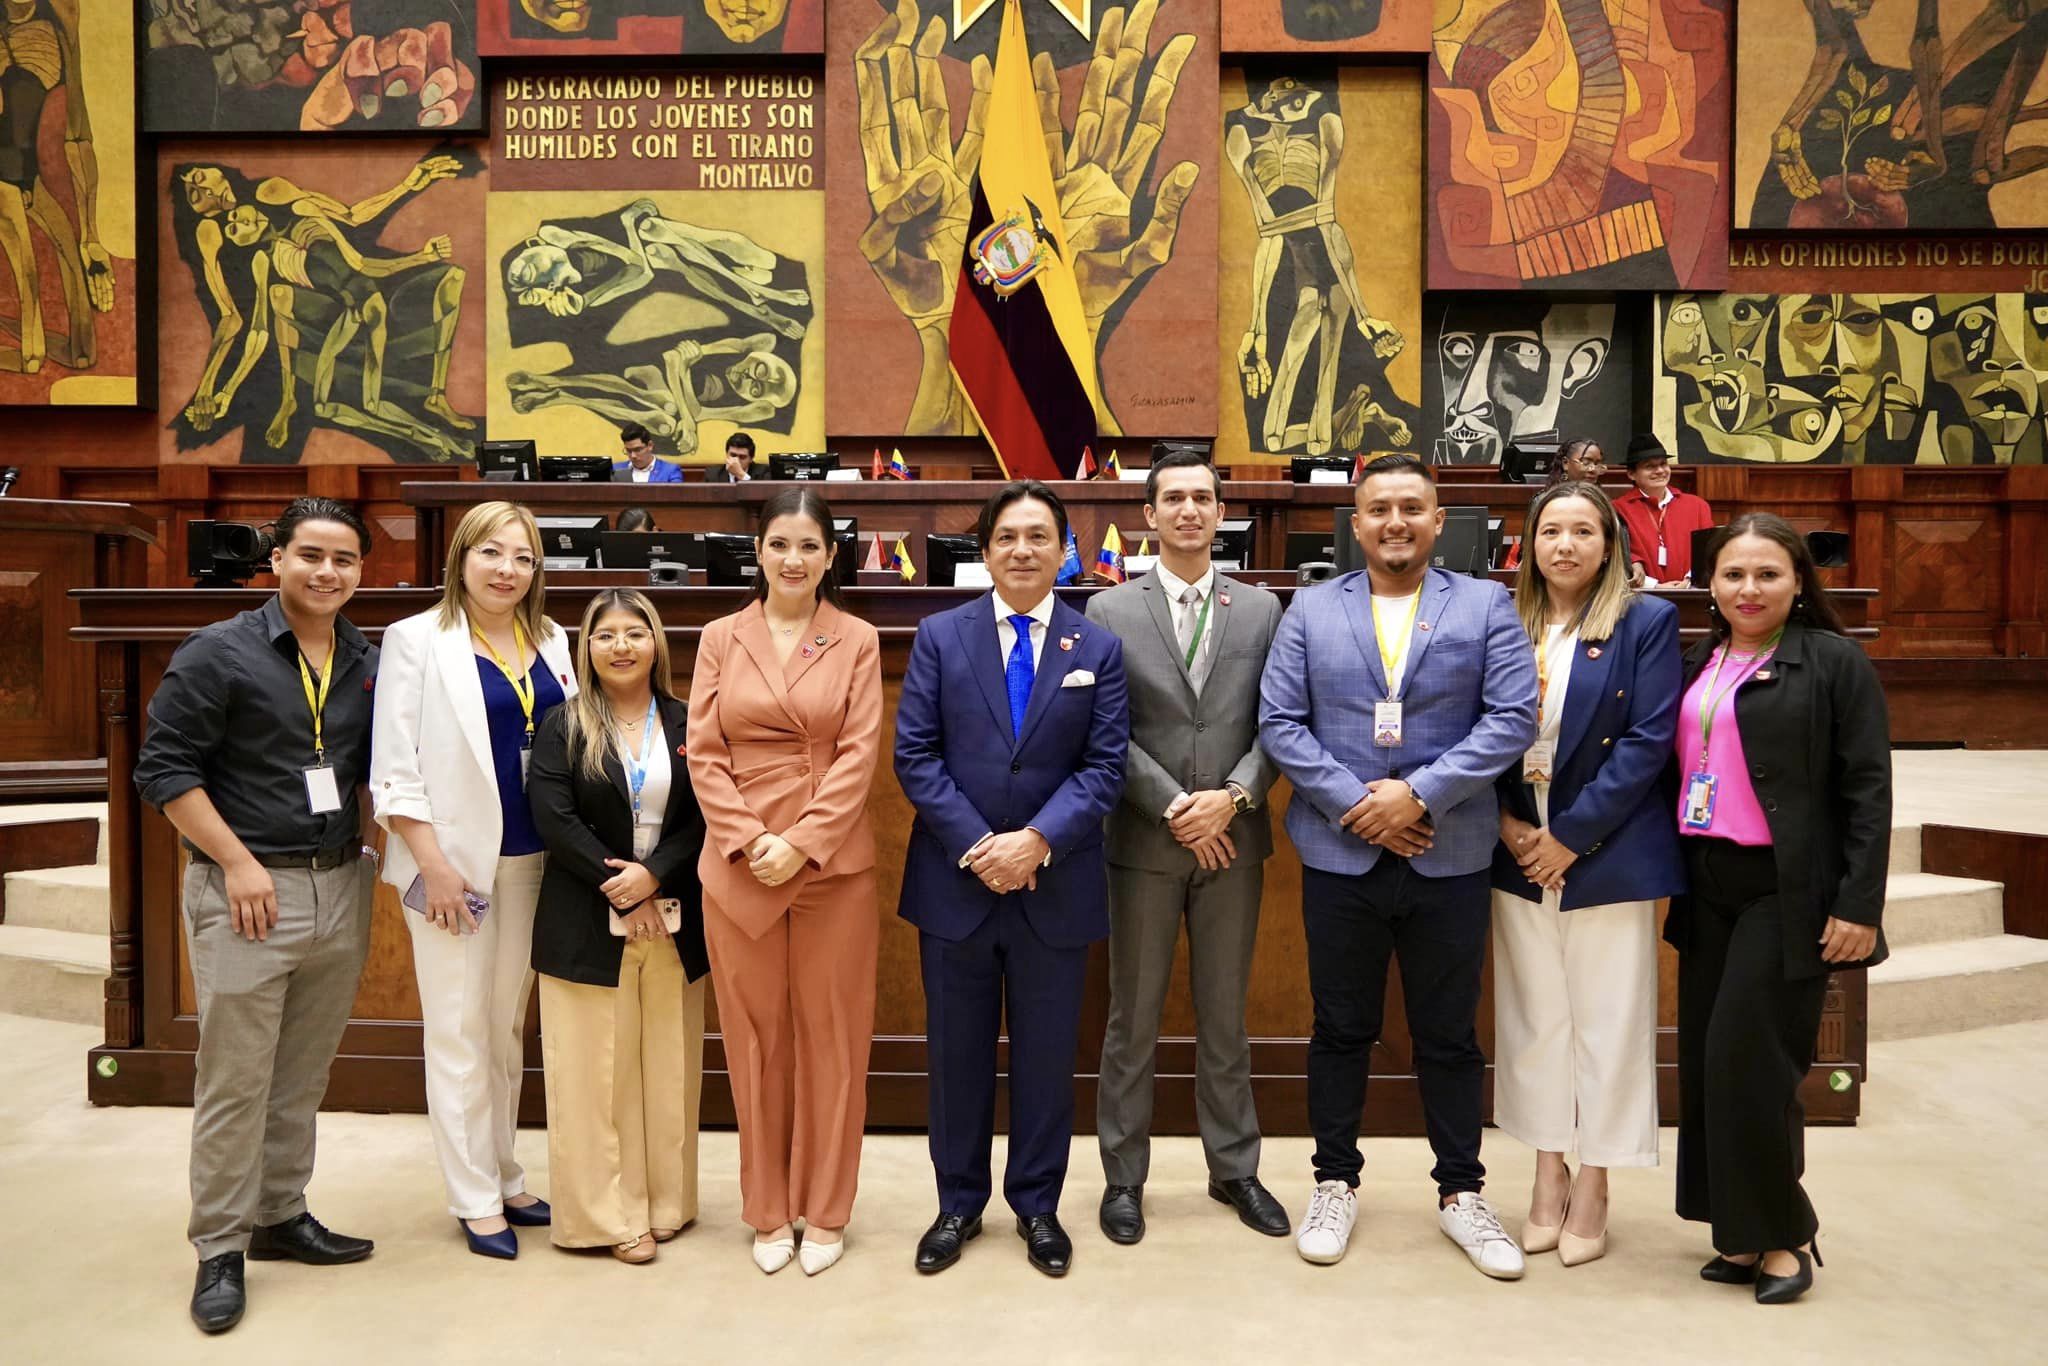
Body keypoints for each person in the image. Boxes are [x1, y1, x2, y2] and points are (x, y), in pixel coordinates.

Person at [1258, 454, 1537, 1277]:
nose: (1395, 523)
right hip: (1340, 854)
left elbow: (1510, 716)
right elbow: (1280, 722)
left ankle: (1462, 1193)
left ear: (1438, 518)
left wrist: (1415, 797)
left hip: (1448, 852)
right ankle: (1334, 1181)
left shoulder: (1486, 604)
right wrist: (1361, 805)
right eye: (1379, 508)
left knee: (1448, 1034)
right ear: (1356, 519)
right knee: (1340, 1028)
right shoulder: (1308, 609)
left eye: (1412, 507)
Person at [135, 498, 381, 1334]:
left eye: (344, 560)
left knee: (300, 1072)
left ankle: (280, 1213)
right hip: (247, 891)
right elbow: (163, 770)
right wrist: (236, 863)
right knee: (235, 1080)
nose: (327, 573)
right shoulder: (220, 652)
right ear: (274, 559)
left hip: (337, 884)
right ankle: (220, 1248)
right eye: (310, 555)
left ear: (360, 573)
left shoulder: (362, 655)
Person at [895, 481, 1129, 1278]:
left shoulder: (1094, 648)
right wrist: (982, 847)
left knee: (1045, 1056)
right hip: (956, 887)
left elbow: (1104, 768)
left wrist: (1033, 843)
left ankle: (1037, 1206)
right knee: (956, 1058)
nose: (1023, 550)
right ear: (984, 550)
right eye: (1007, 537)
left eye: (1039, 537)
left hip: (1054, 886)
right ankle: (957, 1203)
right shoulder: (939, 635)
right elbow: (916, 757)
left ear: (1065, 550)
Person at [1669, 513, 1889, 1306]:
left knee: (1749, 1064)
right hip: (1706, 884)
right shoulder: (1704, 659)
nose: (1749, 589)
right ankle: (1739, 1231)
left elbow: (1867, 790)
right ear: (1712, 585)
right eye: (1733, 575)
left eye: (1767, 574)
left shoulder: (1834, 663)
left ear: (1800, 582)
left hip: (1787, 890)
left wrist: (1859, 903)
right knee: (1706, 1064)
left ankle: (1787, 1235)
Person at [1085, 451, 1289, 1245]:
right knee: (1131, 1019)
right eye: (1173, 498)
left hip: (1233, 840)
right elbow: (1109, 731)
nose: (1189, 510)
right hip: (1144, 840)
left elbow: (1280, 722)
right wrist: (1176, 805)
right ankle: (1123, 1179)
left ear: (1221, 511)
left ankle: (1234, 1168)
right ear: (1149, 514)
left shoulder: (1262, 607)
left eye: (1202, 497)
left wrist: (1230, 799)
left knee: (1225, 1016)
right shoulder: (1110, 612)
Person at [686, 488, 885, 1277]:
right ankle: (769, 1211)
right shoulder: (718, 637)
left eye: (809, 546)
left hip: (831, 865)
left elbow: (860, 754)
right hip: (739, 867)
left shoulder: (858, 638)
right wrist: (747, 841)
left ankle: (827, 1210)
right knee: (755, 1043)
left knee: (833, 1041)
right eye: (779, 545)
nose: (793, 559)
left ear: (830, 557)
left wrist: (801, 844)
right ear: (758, 553)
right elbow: (702, 752)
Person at [372, 500, 577, 1259]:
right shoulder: (417, 640)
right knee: (457, 1030)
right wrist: (435, 866)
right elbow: (394, 771)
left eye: (523, 558)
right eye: (493, 553)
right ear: (460, 557)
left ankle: (504, 1168)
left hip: (533, 862)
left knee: (504, 1027)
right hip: (453, 867)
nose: (508, 570)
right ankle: (472, 1197)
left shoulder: (555, 641)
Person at [1489, 481, 1685, 1268]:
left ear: (1611, 544)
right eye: (1550, 531)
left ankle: (1596, 1178)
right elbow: (1479, 731)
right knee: (1536, 1022)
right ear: (1529, 545)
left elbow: (1646, 743)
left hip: (1604, 852)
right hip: (1517, 848)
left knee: (1608, 1021)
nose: (1564, 545)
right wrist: (1509, 825)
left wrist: (1567, 837)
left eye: (1582, 531)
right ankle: (1546, 1170)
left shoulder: (1646, 621)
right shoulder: (1505, 621)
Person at [527, 591, 709, 1266]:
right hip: (584, 918)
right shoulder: (562, 723)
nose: (622, 646)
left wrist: (654, 875)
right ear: (588, 648)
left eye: (636, 633)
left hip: (672, 918)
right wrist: (621, 886)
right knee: (592, 1076)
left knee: (668, 1067)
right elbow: (553, 816)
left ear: (657, 644)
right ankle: (603, 1218)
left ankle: (666, 1204)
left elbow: (706, 815)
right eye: (607, 635)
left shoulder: (689, 721)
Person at [1614, 434, 1715, 587]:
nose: (1660, 470)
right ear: (1631, 474)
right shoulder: (1618, 508)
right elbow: (1617, 553)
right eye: (1650, 466)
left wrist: (1689, 581)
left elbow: (1708, 550)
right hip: (1643, 597)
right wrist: (1654, 586)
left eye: (1663, 464)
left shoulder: (1697, 506)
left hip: (1692, 593)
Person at [614, 421, 684, 483]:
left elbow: (676, 496)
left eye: (638, 450)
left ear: (650, 446)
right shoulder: (616, 469)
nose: (633, 456)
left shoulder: (670, 471)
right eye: (629, 451)